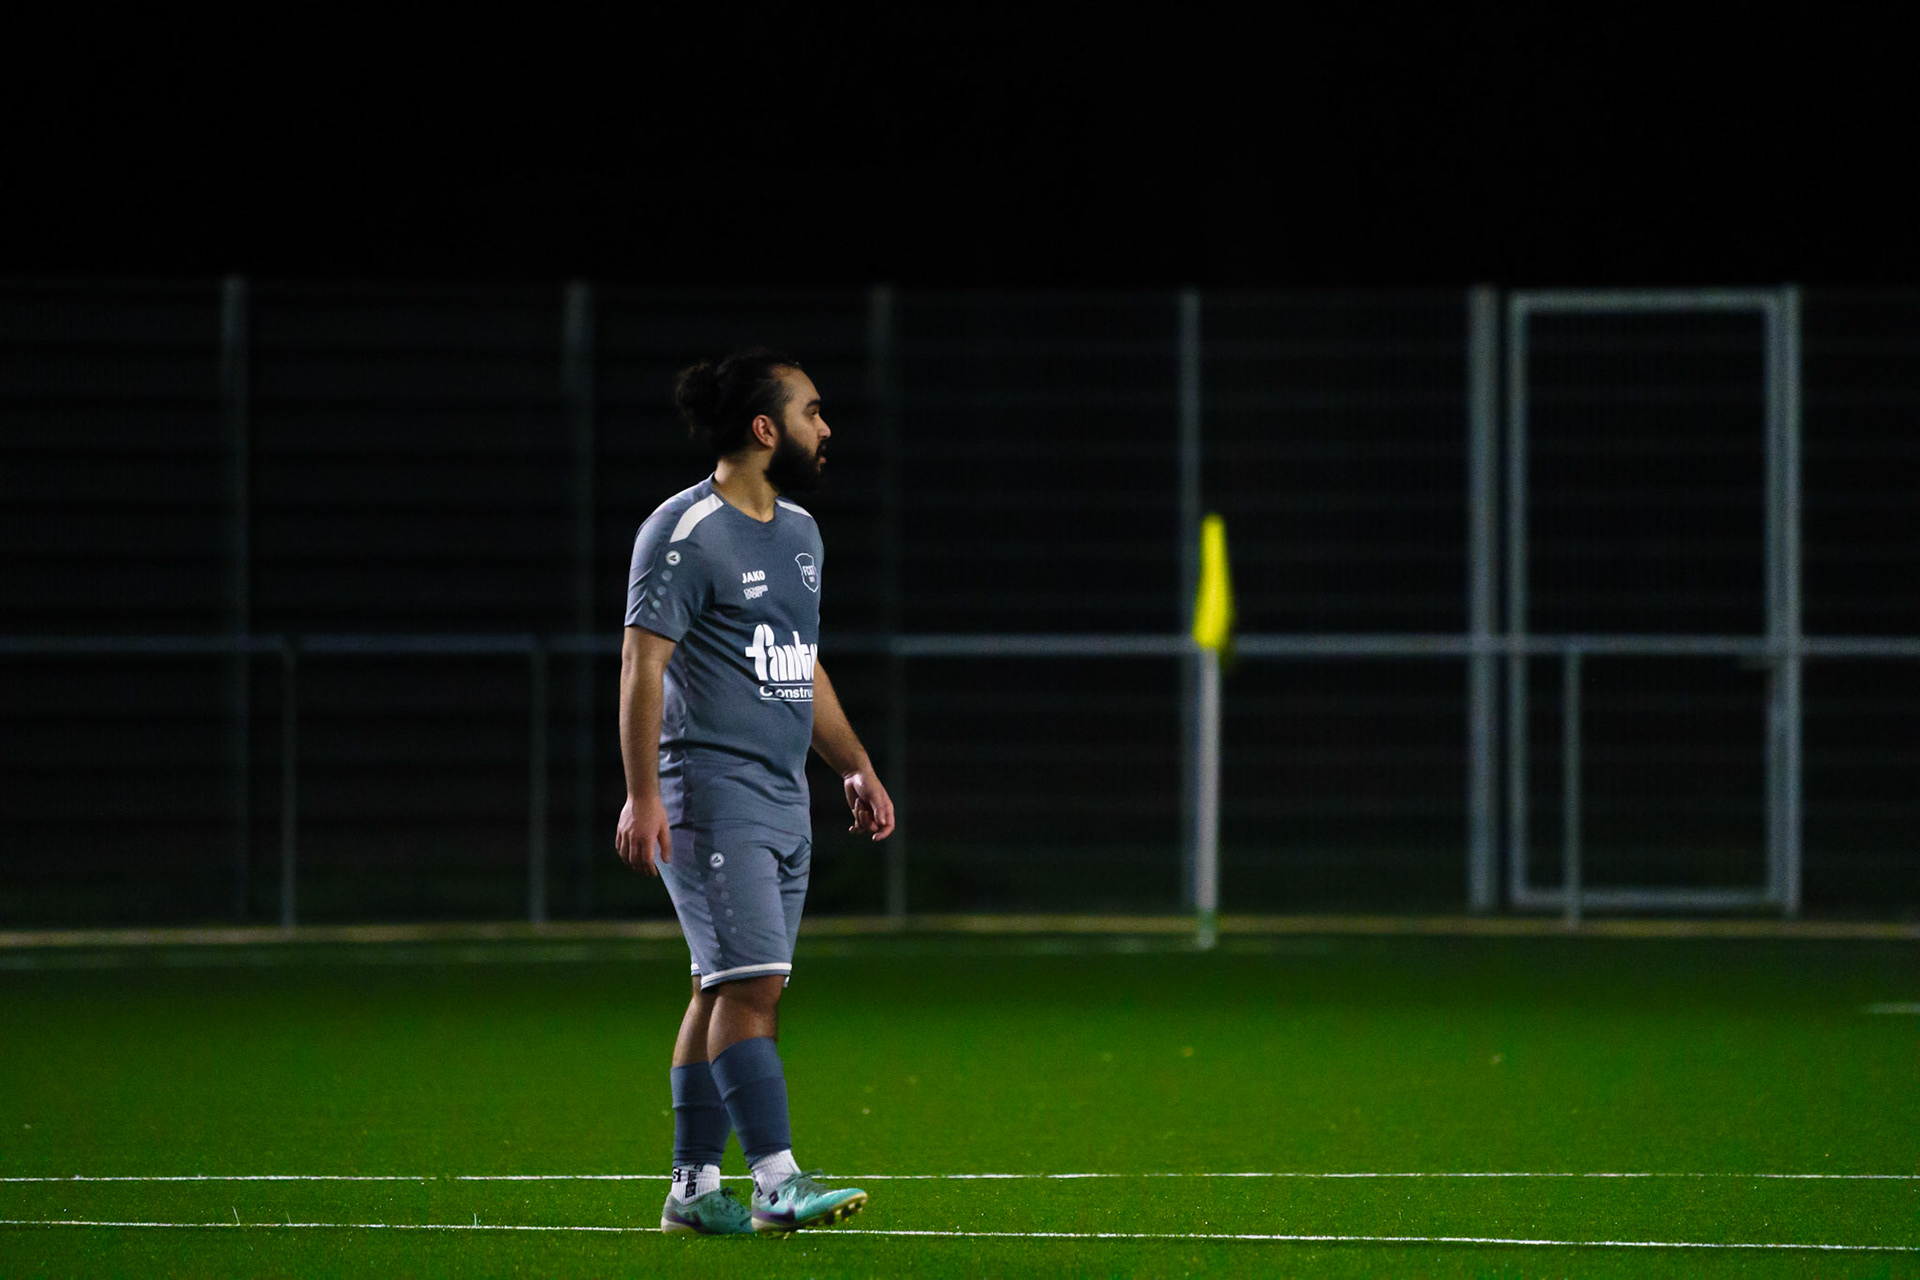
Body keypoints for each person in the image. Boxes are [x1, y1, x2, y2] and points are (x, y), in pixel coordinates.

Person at [617, 347, 896, 1236]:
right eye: (812, 410)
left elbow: (799, 668)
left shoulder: (803, 536)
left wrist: (853, 764)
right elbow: (641, 663)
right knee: (756, 984)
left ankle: (694, 1192)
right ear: (765, 428)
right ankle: (777, 1181)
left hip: (780, 793)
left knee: (723, 987)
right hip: (709, 787)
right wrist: (643, 796)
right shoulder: (683, 530)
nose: (826, 425)